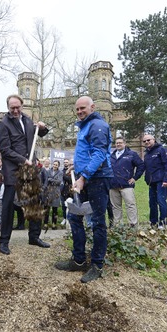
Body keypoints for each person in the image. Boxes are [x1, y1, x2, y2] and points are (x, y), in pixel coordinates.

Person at [54, 96, 113, 283]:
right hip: (85, 177)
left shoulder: (97, 126)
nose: (79, 111)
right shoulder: (84, 126)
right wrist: (76, 167)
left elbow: (99, 154)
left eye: (83, 108)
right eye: (77, 109)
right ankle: (79, 260)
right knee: (74, 217)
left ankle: (97, 265)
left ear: (92, 107)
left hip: (97, 179)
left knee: (97, 222)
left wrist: (83, 177)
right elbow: (87, 153)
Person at [0, 94, 50, 255]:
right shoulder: (3, 125)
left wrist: (42, 127)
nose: (15, 110)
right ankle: (4, 241)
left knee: (34, 202)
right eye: (12, 107)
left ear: (22, 105)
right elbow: (5, 150)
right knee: (9, 205)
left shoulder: (27, 120)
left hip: (30, 168)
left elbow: (40, 134)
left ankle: (34, 237)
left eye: (18, 107)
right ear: (8, 107)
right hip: (13, 170)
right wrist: (22, 160)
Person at [109, 136, 145, 228]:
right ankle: (118, 227)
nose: (118, 144)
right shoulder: (111, 156)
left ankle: (133, 225)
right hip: (113, 186)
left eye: (120, 142)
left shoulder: (131, 154)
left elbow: (141, 166)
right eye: (117, 143)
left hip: (127, 185)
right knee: (116, 207)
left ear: (125, 144)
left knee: (130, 205)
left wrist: (135, 178)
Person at [142, 134, 167, 229]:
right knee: (152, 202)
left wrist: (166, 179)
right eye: (144, 141)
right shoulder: (147, 154)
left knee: (161, 201)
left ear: (153, 140)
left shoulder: (162, 150)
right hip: (151, 182)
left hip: (161, 181)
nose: (146, 142)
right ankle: (153, 223)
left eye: (148, 140)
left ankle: (163, 222)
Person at [43, 160, 63, 228]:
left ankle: (54, 224)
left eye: (56, 165)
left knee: (55, 209)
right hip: (48, 192)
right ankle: (45, 223)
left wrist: (51, 179)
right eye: (54, 164)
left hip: (56, 192)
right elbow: (46, 180)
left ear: (58, 166)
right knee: (46, 209)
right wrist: (53, 180)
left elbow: (59, 182)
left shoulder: (60, 172)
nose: (55, 166)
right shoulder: (48, 171)